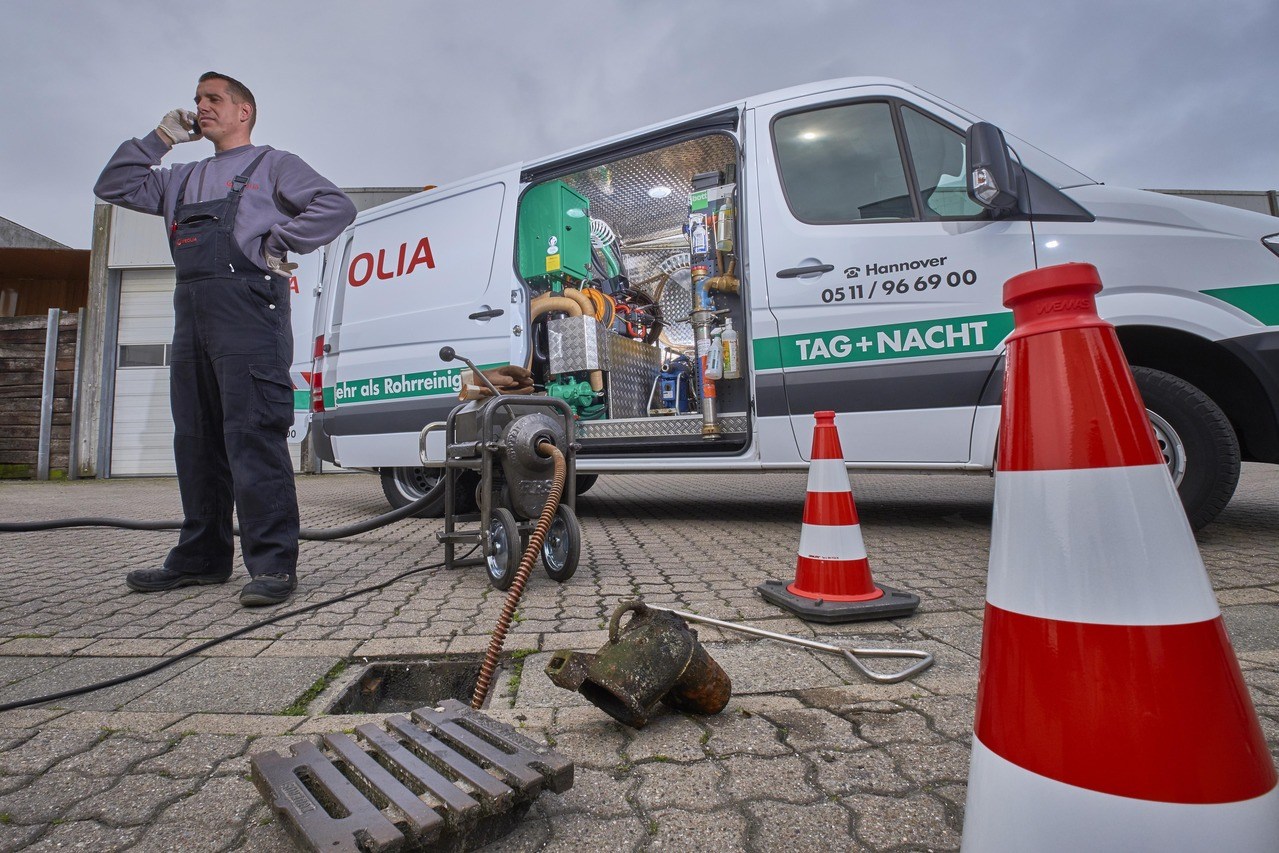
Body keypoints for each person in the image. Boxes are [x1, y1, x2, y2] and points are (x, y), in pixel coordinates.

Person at [95, 72, 356, 606]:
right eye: (197, 100)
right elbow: (113, 185)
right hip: (192, 312)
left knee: (252, 435)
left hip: (248, 310)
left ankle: (273, 566)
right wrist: (160, 139)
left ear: (244, 112)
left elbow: (335, 205)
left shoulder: (273, 165)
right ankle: (201, 558)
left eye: (214, 99)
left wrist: (277, 241)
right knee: (196, 440)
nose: (201, 106)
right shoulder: (180, 177)